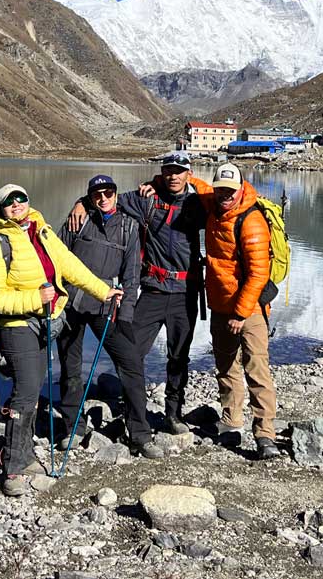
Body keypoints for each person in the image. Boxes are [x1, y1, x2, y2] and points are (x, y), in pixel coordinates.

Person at [0, 183, 124, 497]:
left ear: (28, 201)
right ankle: (12, 466)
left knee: (32, 390)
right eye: (9, 202)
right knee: (25, 392)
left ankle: (26, 454)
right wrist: (35, 299)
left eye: (21, 198)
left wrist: (103, 291)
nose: (17, 204)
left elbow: (70, 266)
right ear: (1, 208)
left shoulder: (42, 230)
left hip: (47, 322)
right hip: (17, 324)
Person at [71, 151, 212, 434]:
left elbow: (227, 202)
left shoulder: (199, 203)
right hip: (152, 290)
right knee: (130, 352)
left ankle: (173, 413)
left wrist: (194, 184)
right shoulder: (146, 199)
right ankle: (133, 410)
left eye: (179, 171)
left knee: (178, 357)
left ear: (189, 173)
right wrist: (81, 204)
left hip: (185, 292)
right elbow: (107, 198)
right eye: (167, 171)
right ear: (161, 173)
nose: (173, 176)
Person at [56, 174, 160, 459]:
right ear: (90, 198)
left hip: (107, 305)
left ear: (115, 194)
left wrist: (125, 315)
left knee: (131, 363)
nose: (103, 199)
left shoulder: (129, 227)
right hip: (71, 303)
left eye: (108, 193)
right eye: (97, 195)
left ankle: (139, 433)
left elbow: (131, 276)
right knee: (70, 366)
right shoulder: (78, 221)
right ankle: (72, 428)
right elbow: (56, 258)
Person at [202, 162, 281, 460]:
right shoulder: (213, 206)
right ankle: (231, 420)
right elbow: (195, 186)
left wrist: (240, 313)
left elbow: (259, 274)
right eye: (220, 189)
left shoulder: (251, 221)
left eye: (230, 190)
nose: (225, 194)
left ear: (241, 189)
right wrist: (159, 181)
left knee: (256, 368)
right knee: (226, 366)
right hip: (220, 304)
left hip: (249, 309)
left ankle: (265, 434)